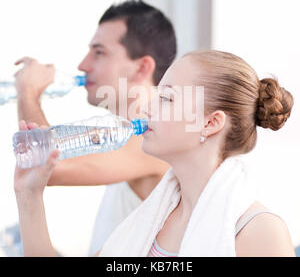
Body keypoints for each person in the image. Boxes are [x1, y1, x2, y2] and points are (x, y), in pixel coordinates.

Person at [14, 50, 295, 256]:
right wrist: (29, 196)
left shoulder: (259, 233)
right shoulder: (150, 220)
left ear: (210, 123)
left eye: (166, 98)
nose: (148, 108)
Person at [12, 0, 177, 255]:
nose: (82, 65)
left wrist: (28, 93)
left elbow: (47, 167)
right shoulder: (121, 139)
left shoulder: (155, 142)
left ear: (142, 67)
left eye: (99, 52)